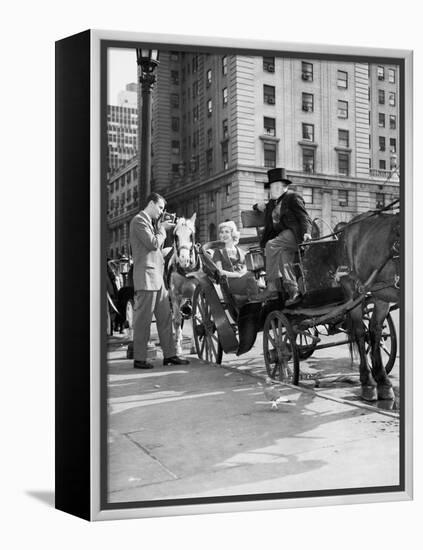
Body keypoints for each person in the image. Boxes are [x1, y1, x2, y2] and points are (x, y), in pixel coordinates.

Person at [129, 192, 189, 369]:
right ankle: (139, 359)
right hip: (147, 278)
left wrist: (160, 227)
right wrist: (162, 228)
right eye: (161, 208)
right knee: (143, 320)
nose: (162, 212)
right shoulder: (139, 220)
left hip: (156, 277)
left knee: (165, 318)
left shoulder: (148, 222)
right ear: (151, 204)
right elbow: (153, 244)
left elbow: (155, 247)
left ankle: (170, 355)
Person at [254, 168, 312, 305]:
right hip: (284, 239)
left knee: (271, 245)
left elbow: (304, 218)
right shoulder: (272, 203)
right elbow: (261, 207)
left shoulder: (293, 197)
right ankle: (293, 291)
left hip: (295, 235)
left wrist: (307, 233)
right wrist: (257, 206)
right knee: (283, 257)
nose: (270, 191)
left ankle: (272, 286)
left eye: (272, 188)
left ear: (280, 187)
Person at [212, 220, 261, 298]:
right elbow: (219, 271)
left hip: (243, 277)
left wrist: (243, 272)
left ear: (233, 234)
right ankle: (256, 299)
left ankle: (259, 299)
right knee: (251, 278)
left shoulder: (240, 251)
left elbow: (246, 266)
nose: (223, 234)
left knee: (256, 275)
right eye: (221, 232)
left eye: (226, 232)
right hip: (229, 282)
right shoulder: (218, 252)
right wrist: (237, 275)